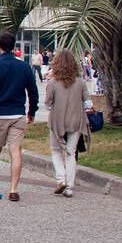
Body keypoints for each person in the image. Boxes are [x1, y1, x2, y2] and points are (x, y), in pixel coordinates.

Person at [0, 31, 39, 202]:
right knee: (16, 151)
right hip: (18, 113)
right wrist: (32, 112)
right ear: (14, 47)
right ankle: (13, 189)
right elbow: (33, 92)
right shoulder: (24, 67)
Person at [44, 49, 89, 198]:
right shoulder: (81, 82)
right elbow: (88, 103)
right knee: (71, 152)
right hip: (76, 120)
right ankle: (69, 186)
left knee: (56, 151)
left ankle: (61, 179)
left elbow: (48, 104)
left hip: (57, 121)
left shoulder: (53, 83)